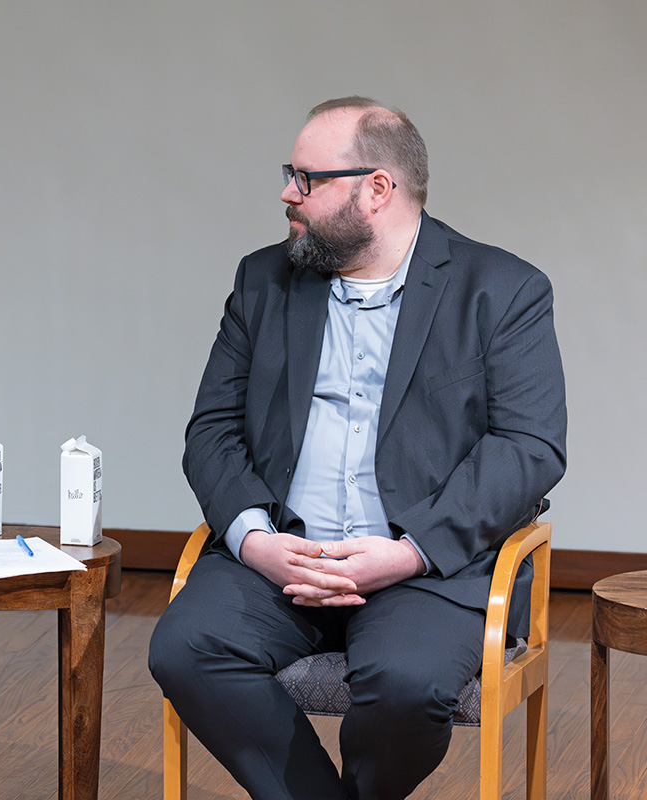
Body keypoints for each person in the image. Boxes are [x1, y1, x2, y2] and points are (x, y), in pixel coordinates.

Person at [149, 97, 567, 800]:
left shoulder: (501, 289)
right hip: (283, 556)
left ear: (378, 189)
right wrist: (255, 541)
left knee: (407, 684)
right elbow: (211, 430)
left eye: (306, 177)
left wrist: (406, 551)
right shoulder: (264, 281)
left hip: (423, 566)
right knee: (183, 648)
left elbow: (529, 448)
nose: (287, 191)